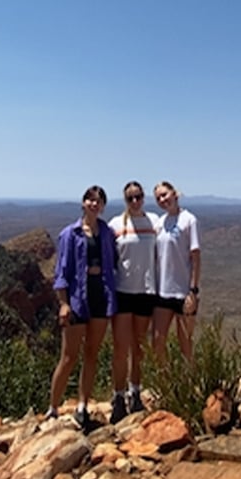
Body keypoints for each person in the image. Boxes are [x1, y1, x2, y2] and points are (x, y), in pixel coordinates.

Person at [46, 185, 117, 430]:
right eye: (90, 199)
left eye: (98, 201)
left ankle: (82, 405)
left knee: (91, 355)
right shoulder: (70, 234)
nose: (94, 204)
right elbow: (61, 272)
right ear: (83, 203)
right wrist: (64, 303)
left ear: (103, 206)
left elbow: (114, 261)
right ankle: (53, 408)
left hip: (101, 296)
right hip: (77, 299)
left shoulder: (107, 232)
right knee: (68, 356)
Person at [108, 181, 158, 423]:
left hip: (146, 292)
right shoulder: (115, 225)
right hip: (122, 292)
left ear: (144, 197)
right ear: (125, 200)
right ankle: (117, 397)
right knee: (120, 348)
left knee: (138, 348)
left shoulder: (154, 222)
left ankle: (135, 392)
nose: (135, 201)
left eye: (138, 196)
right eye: (130, 198)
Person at [153, 181, 201, 362]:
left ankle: (188, 385)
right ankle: (165, 385)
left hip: (183, 292)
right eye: (158, 198)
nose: (162, 200)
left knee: (185, 344)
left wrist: (193, 291)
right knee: (157, 341)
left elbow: (195, 257)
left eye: (164, 194)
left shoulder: (189, 220)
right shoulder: (160, 223)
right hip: (163, 292)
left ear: (174, 194)